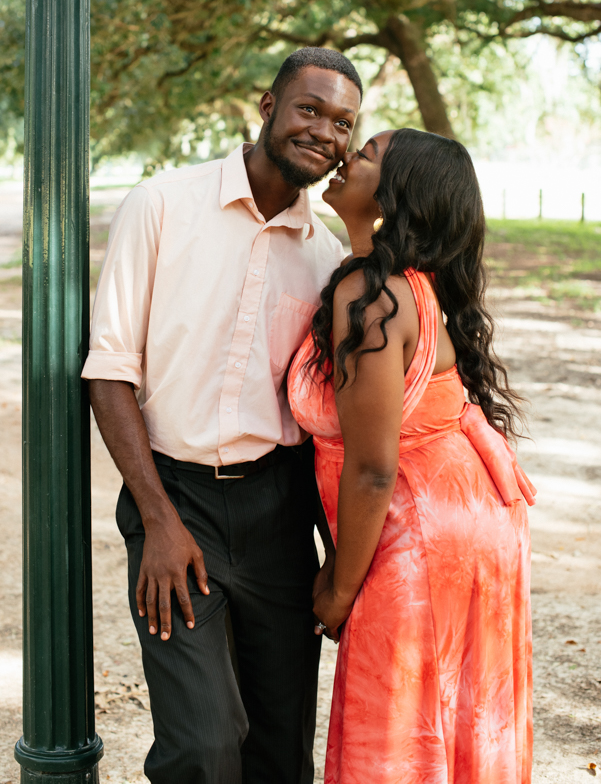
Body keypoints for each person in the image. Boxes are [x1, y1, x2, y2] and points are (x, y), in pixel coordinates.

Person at [82, 47, 363, 784]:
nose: (325, 133)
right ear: (267, 107)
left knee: (277, 751)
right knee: (202, 747)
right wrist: (158, 520)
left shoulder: (326, 255)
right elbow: (109, 371)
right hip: (175, 499)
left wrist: (334, 550)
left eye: (344, 124)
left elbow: (322, 418)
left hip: (279, 510)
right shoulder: (162, 204)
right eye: (310, 109)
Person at [288, 128, 536, 784]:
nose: (345, 158)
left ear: (394, 195)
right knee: (453, 725)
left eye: (365, 154)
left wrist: (339, 589)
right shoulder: (407, 286)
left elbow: (373, 469)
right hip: (469, 525)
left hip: (424, 540)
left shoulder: (372, 297)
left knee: (397, 735)